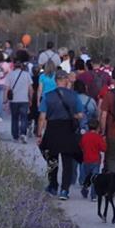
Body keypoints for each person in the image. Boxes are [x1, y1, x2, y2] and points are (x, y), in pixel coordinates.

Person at [38, 70, 85, 200]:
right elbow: (81, 114)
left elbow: (42, 117)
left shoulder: (47, 96)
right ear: (66, 80)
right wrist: (73, 116)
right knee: (67, 161)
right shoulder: (74, 96)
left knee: (52, 160)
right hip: (68, 129)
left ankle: (53, 186)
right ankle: (65, 190)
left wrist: (39, 134)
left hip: (52, 129)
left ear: (55, 81)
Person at [5, 53, 33, 142]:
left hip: (14, 100)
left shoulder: (10, 75)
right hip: (24, 99)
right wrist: (30, 99)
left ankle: (15, 135)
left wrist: (5, 100)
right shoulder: (27, 74)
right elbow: (30, 89)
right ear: (21, 66)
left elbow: (6, 88)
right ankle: (23, 134)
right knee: (24, 117)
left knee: (15, 118)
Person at [79, 120, 107, 200]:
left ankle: (85, 189)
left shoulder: (85, 136)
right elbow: (103, 149)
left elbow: (81, 146)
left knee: (87, 177)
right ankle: (93, 195)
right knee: (95, 178)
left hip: (86, 159)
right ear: (98, 128)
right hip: (96, 160)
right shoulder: (98, 137)